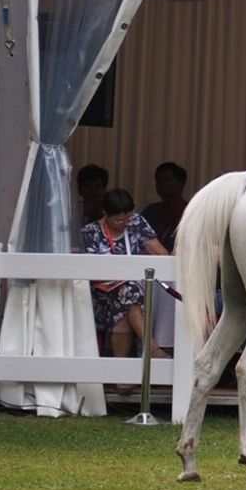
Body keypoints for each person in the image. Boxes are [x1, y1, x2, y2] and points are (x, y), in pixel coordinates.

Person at [82, 188, 171, 387]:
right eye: (118, 220)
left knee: (129, 295)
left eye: (127, 218)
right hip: (101, 295)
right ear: (105, 214)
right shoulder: (91, 232)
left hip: (133, 293)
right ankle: (152, 348)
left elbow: (160, 254)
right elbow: (92, 273)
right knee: (129, 294)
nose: (124, 224)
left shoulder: (136, 223)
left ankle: (123, 377)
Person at [141, 161, 189, 251]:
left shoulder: (191, 211)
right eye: (158, 180)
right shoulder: (151, 211)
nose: (162, 183)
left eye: (167, 179)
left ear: (181, 184)